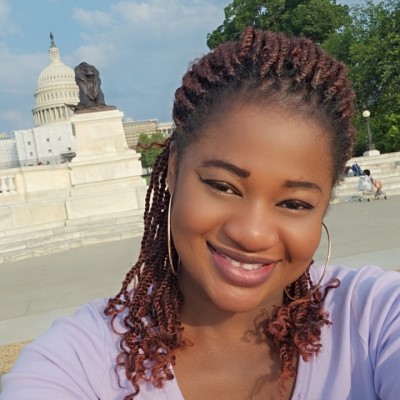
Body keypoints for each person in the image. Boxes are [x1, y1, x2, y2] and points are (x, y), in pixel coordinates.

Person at [1, 27, 400, 400]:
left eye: (294, 203)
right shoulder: (78, 365)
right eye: (223, 186)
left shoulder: (375, 318)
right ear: (173, 170)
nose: (252, 233)